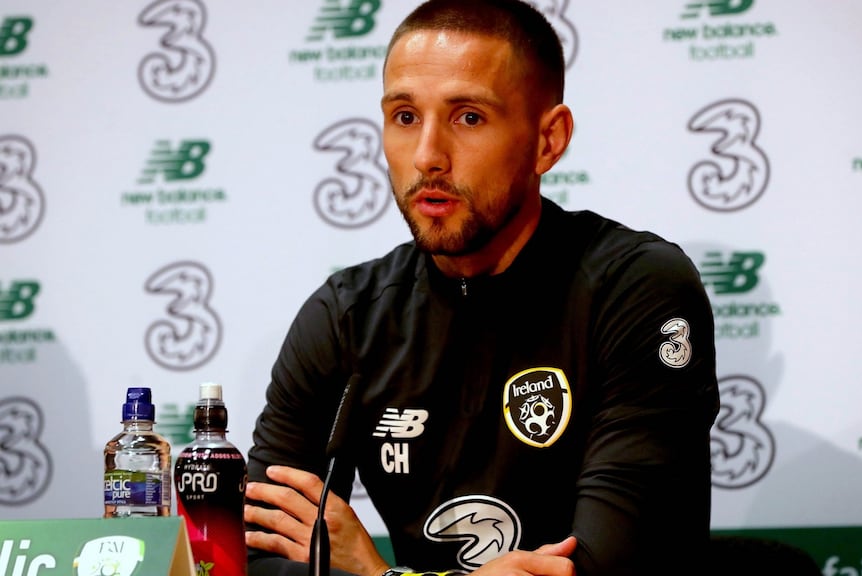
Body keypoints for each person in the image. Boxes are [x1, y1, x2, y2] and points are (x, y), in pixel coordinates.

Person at [243, 1, 720, 575]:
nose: (427, 156)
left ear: (549, 140)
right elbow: (257, 554)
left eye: (468, 117)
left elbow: (606, 567)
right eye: (404, 117)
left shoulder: (635, 289)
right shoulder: (348, 316)